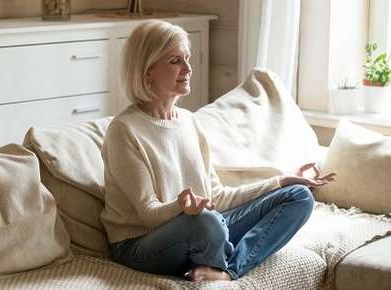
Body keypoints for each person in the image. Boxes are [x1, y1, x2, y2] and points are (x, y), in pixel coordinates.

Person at [101, 19, 336, 282]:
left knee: (299, 197)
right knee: (207, 223)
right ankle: (221, 258)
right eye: (175, 61)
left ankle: (225, 270)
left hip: (197, 227)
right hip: (140, 244)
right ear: (147, 72)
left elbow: (217, 195)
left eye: (187, 59)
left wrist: (281, 180)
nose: (188, 69)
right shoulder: (124, 130)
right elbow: (148, 211)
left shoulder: (189, 122)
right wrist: (181, 207)